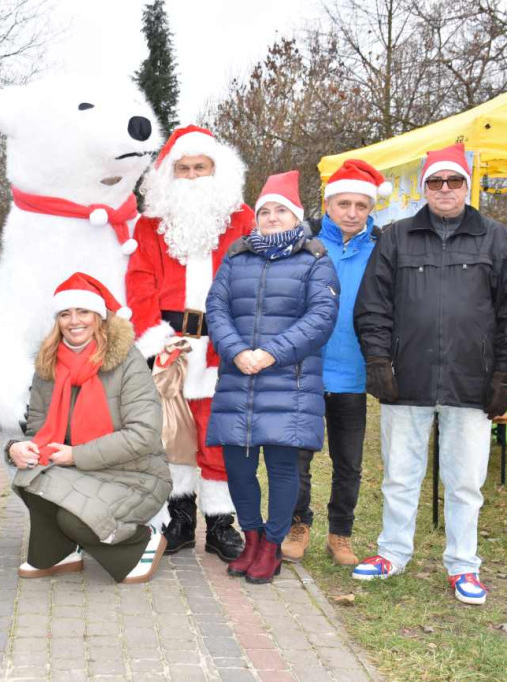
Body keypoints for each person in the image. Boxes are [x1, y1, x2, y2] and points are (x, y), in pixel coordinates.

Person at [352, 143, 507, 605]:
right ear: (424, 187)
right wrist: (378, 361)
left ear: (467, 185)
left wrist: (506, 374)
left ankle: (462, 566)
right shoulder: (395, 237)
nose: (445, 189)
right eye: (436, 181)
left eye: (454, 181)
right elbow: (372, 307)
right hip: (407, 379)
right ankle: (392, 553)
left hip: (471, 382)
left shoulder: (496, 238)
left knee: (465, 481)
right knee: (398, 476)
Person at [126, 125, 253, 562]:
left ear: (217, 171)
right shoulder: (150, 226)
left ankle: (220, 521)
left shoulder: (242, 220)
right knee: (175, 434)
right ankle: (179, 516)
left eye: (201, 167)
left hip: (223, 346)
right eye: (184, 169)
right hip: (173, 346)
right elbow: (139, 283)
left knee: (218, 434)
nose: (194, 176)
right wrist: (155, 337)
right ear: (169, 175)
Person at [205, 171, 339, 585]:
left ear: (296, 216)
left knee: (283, 468)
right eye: (265, 211)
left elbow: (321, 316)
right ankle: (252, 537)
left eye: (282, 210)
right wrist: (237, 351)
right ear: (256, 218)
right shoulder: (236, 255)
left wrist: (270, 353)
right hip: (238, 377)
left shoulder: (315, 259)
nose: (273, 217)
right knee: (239, 466)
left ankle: (273, 545)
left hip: (290, 382)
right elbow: (217, 308)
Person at [6, 273, 172, 583]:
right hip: (79, 468)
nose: (74, 321)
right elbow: (37, 430)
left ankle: (142, 543)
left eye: (83, 312)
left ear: (99, 317)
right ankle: (59, 552)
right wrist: (17, 448)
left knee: (77, 520)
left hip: (136, 474)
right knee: (30, 478)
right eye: (65, 314)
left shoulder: (127, 362)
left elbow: (143, 434)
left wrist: (76, 455)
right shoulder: (49, 364)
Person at [281, 160, 390, 566]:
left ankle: (340, 533)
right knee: (299, 458)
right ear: (327, 204)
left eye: (361, 206)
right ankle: (298, 524)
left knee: (349, 462)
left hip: (354, 372)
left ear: (370, 209)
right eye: (344, 203)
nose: (352, 212)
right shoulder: (303, 241)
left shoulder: (381, 248)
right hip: (305, 371)